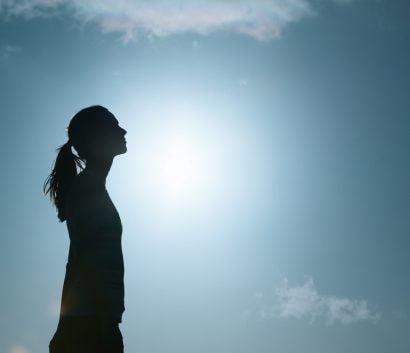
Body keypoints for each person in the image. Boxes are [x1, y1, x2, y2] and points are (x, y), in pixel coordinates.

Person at [44, 105, 127, 353]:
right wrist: (103, 323)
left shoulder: (92, 186)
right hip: (91, 325)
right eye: (114, 126)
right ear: (96, 137)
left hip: (95, 321)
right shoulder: (88, 187)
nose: (123, 130)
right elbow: (84, 259)